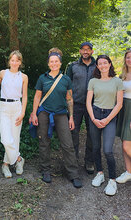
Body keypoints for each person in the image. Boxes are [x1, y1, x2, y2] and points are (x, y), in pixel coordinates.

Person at [29, 48, 82, 188]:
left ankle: (73, 174)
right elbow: (37, 97)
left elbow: (69, 99)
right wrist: (34, 113)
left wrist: (71, 117)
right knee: (44, 142)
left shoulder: (66, 79)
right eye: (51, 62)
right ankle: (46, 170)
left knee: (67, 144)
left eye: (56, 61)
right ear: (48, 64)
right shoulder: (42, 78)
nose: (54, 64)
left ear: (60, 63)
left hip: (61, 114)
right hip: (44, 113)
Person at [0, 50, 28, 178]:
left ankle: (6, 165)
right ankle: (19, 159)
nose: (14, 63)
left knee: (15, 138)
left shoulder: (24, 77)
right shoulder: (3, 73)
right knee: (6, 139)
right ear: (9, 61)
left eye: (17, 60)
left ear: (20, 62)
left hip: (17, 107)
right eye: (12, 60)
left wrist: (23, 112)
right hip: (4, 107)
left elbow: (24, 97)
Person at [86, 55, 123, 196]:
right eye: (99, 63)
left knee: (107, 150)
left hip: (110, 115)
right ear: (97, 66)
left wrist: (107, 119)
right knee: (95, 147)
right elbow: (88, 102)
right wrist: (94, 118)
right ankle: (100, 173)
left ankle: (112, 180)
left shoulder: (117, 81)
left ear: (109, 64)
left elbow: (119, 104)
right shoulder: (93, 81)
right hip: (95, 114)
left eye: (105, 63)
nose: (102, 65)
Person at [66, 42, 96, 174]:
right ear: (80, 51)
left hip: (93, 105)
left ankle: (89, 162)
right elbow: (67, 85)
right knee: (73, 133)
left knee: (92, 134)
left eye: (88, 49)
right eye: (83, 49)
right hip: (76, 105)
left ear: (92, 52)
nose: (85, 51)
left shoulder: (98, 66)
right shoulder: (73, 66)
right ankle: (73, 162)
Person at [116, 49, 131, 183]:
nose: (129, 60)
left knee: (127, 144)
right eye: (128, 57)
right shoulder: (123, 75)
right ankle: (128, 172)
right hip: (123, 109)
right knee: (123, 143)